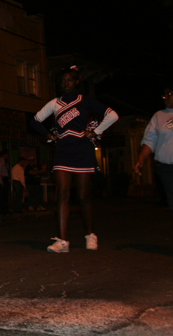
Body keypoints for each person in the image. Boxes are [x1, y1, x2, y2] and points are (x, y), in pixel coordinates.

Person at [31, 66, 118, 253]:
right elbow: (35, 120)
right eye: (62, 81)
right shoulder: (54, 103)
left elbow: (113, 115)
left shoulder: (86, 101)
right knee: (62, 194)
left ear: (76, 81)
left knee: (84, 196)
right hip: (62, 151)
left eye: (69, 80)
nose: (65, 83)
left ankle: (90, 235)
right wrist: (49, 135)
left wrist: (96, 132)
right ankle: (62, 241)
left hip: (83, 151)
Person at [134, 84, 173, 258]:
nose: (166, 98)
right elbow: (150, 140)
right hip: (168, 169)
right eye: (164, 95)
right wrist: (141, 158)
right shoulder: (158, 116)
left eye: (169, 94)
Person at [0, 150, 10, 215]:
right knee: (2, 195)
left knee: (5, 195)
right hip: (2, 179)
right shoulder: (0, 162)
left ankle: (5, 209)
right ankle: (1, 210)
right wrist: (1, 182)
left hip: (5, 179)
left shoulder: (4, 162)